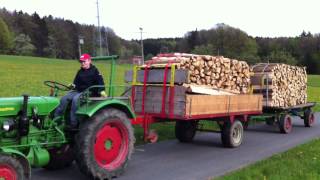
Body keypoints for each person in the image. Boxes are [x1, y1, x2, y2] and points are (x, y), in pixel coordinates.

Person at [54, 53, 106, 128]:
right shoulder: (80, 71)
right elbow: (76, 83)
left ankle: (73, 124)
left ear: (89, 61)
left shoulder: (95, 71)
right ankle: (56, 120)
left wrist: (102, 90)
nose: (82, 63)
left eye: (84, 61)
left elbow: (100, 82)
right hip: (79, 91)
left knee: (76, 100)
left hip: (90, 92)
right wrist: (72, 85)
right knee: (64, 98)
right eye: (81, 62)